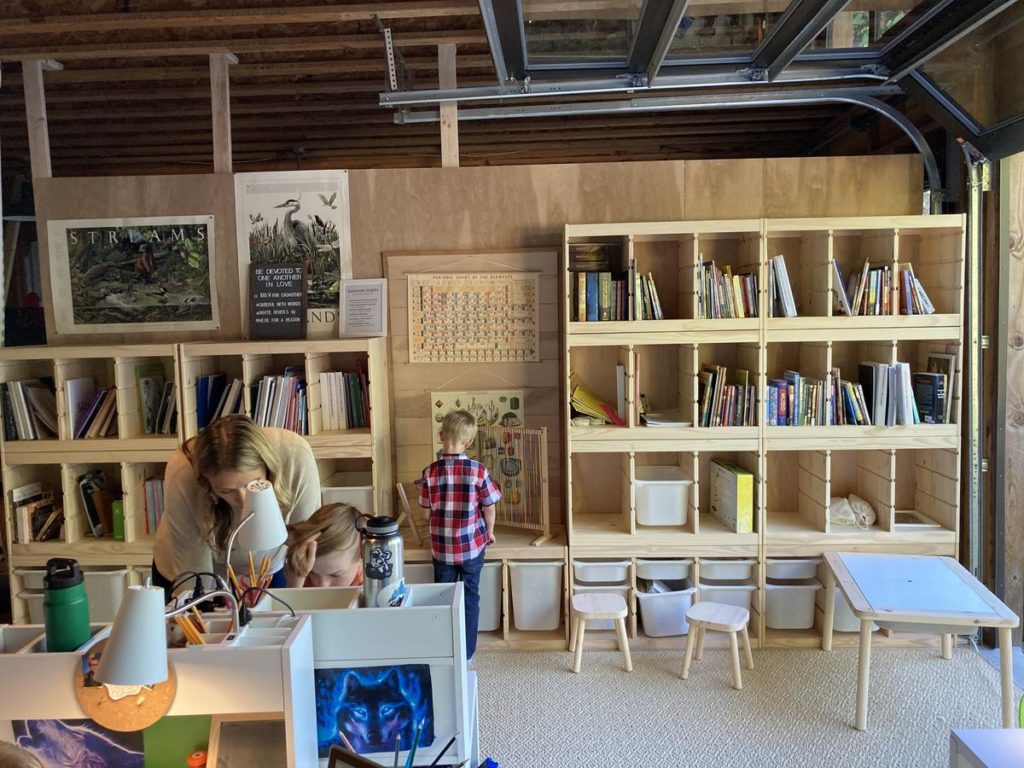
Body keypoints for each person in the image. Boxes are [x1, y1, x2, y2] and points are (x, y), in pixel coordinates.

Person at [152, 415, 321, 600]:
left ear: (268, 466)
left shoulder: (295, 456)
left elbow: (304, 541)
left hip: (268, 566)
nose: (242, 500)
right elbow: (195, 577)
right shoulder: (183, 473)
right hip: (193, 565)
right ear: (207, 484)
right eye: (226, 490)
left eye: (254, 484)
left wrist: (294, 593)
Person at [419, 409, 501, 660]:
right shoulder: (478, 471)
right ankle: (467, 652)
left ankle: (445, 647)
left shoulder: (429, 472)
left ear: (440, 434)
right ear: (470, 442)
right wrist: (490, 532)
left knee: (444, 597)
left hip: (442, 549)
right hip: (471, 548)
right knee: (470, 596)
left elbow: (425, 513)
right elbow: (489, 507)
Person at [285, 502, 364, 588]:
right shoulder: (300, 573)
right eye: (312, 572)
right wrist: (296, 583)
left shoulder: (369, 588)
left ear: (362, 554)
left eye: (334, 575)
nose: (322, 585)